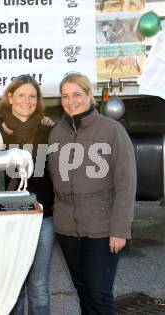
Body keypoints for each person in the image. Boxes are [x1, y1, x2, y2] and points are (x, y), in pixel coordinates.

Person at [48, 73, 136, 314]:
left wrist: (120, 229)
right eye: (65, 96)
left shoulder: (112, 130)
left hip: (102, 227)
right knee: (83, 291)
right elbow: (54, 179)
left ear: (90, 96)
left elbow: (126, 185)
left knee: (99, 295)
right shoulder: (56, 133)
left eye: (77, 94)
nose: (71, 101)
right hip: (67, 228)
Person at [0, 75, 55, 315]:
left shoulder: (48, 129)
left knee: (39, 286)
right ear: (10, 97)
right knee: (14, 286)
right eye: (21, 95)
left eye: (32, 96)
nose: (27, 101)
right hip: (7, 217)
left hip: (43, 217)